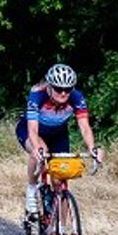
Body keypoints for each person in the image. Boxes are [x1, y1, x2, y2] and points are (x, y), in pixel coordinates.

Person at [19, 63, 102, 214]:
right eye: (58, 89)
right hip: (31, 130)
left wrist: (92, 147)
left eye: (68, 89)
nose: (63, 93)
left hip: (58, 134)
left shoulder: (76, 98)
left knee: (60, 181)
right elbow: (32, 128)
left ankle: (61, 232)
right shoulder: (37, 95)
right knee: (39, 150)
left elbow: (84, 126)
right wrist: (37, 148)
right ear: (49, 86)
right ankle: (31, 189)